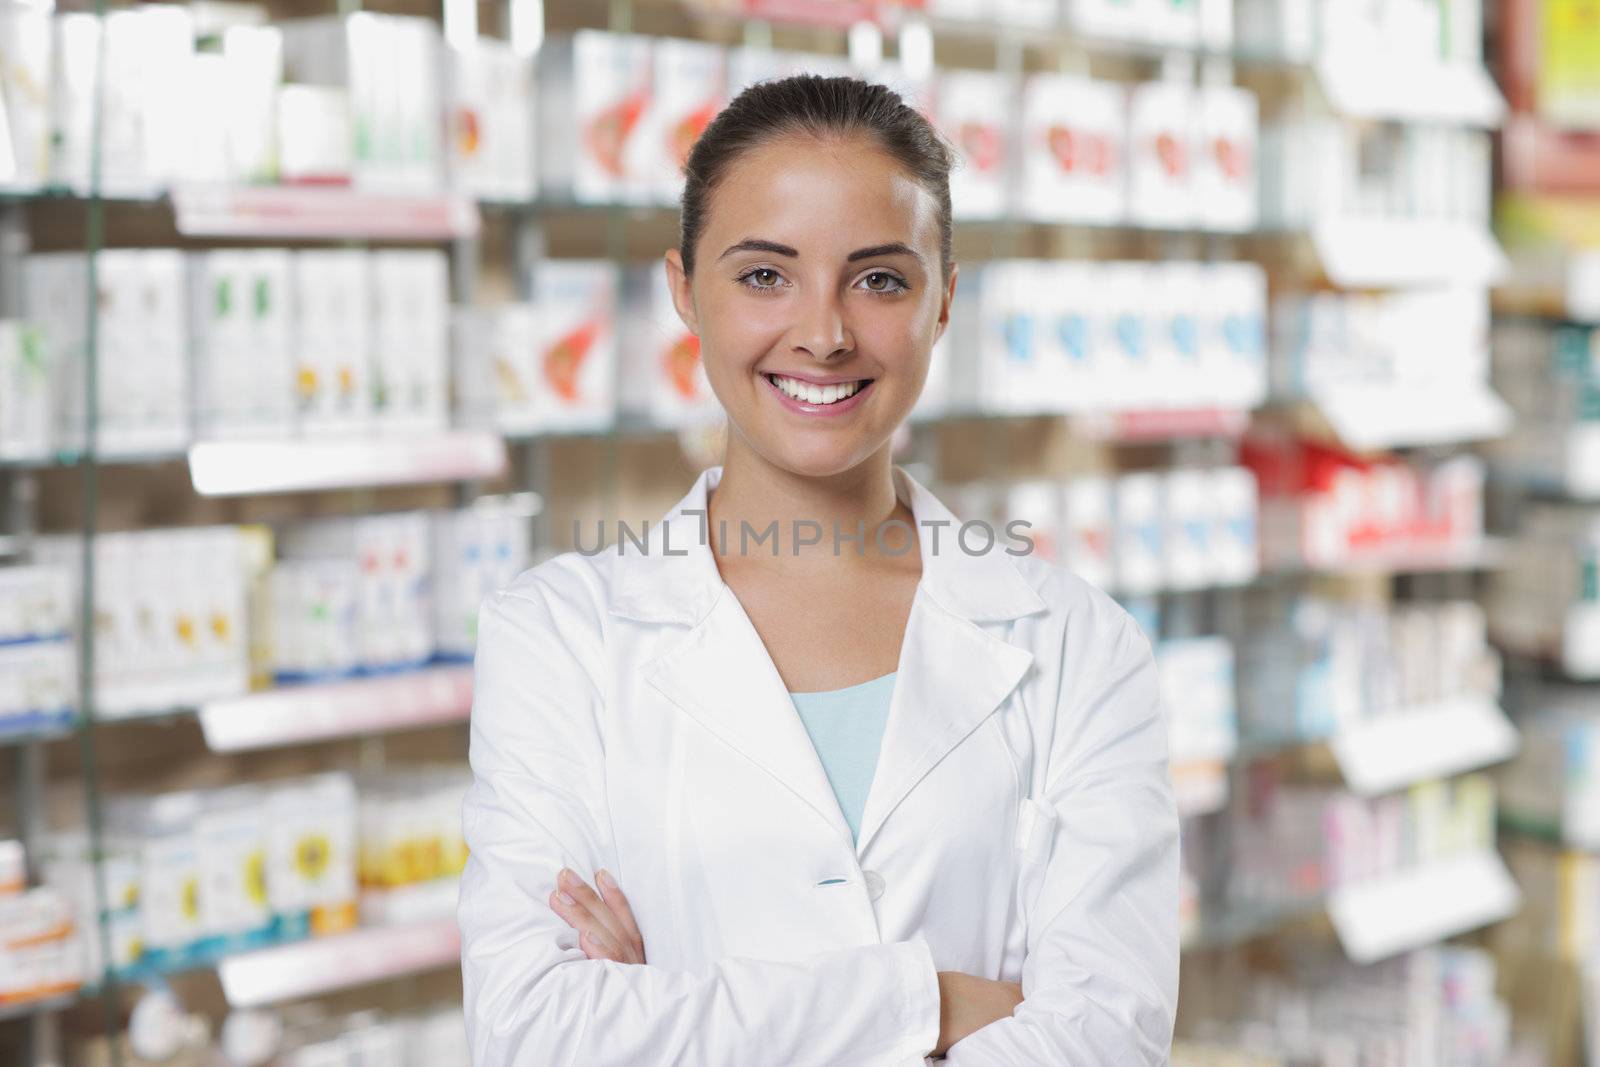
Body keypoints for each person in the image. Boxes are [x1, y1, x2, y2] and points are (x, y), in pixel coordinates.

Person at [457, 73, 1179, 1065]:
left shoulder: (1077, 644)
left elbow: (1106, 1038)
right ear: (683, 290)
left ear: (942, 302)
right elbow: (531, 1032)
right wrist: (925, 1002)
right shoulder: (559, 636)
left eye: (879, 278)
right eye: (764, 275)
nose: (825, 331)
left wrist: (665, 1006)